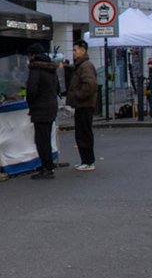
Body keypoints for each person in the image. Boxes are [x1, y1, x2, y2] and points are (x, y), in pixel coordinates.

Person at [24, 48, 60, 177]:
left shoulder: (35, 70)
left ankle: (47, 167)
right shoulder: (51, 69)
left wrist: (31, 103)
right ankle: (48, 164)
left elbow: (31, 90)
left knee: (41, 140)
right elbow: (58, 88)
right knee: (46, 138)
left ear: (33, 55)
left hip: (40, 108)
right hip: (51, 106)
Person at [65, 38, 99, 171]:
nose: (73, 52)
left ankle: (88, 161)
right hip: (82, 104)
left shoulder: (86, 66)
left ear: (82, 51)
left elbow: (90, 85)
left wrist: (78, 95)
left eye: (75, 50)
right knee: (82, 132)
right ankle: (86, 160)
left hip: (85, 104)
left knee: (84, 132)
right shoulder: (81, 65)